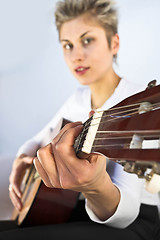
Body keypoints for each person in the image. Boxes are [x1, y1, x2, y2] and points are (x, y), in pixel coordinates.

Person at [0, 0, 160, 239]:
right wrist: (21, 160)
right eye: (67, 45)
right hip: (74, 211)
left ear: (114, 43)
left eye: (87, 40)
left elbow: (127, 212)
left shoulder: (137, 103)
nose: (76, 55)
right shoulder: (77, 99)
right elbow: (37, 139)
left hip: (132, 222)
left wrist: (94, 186)